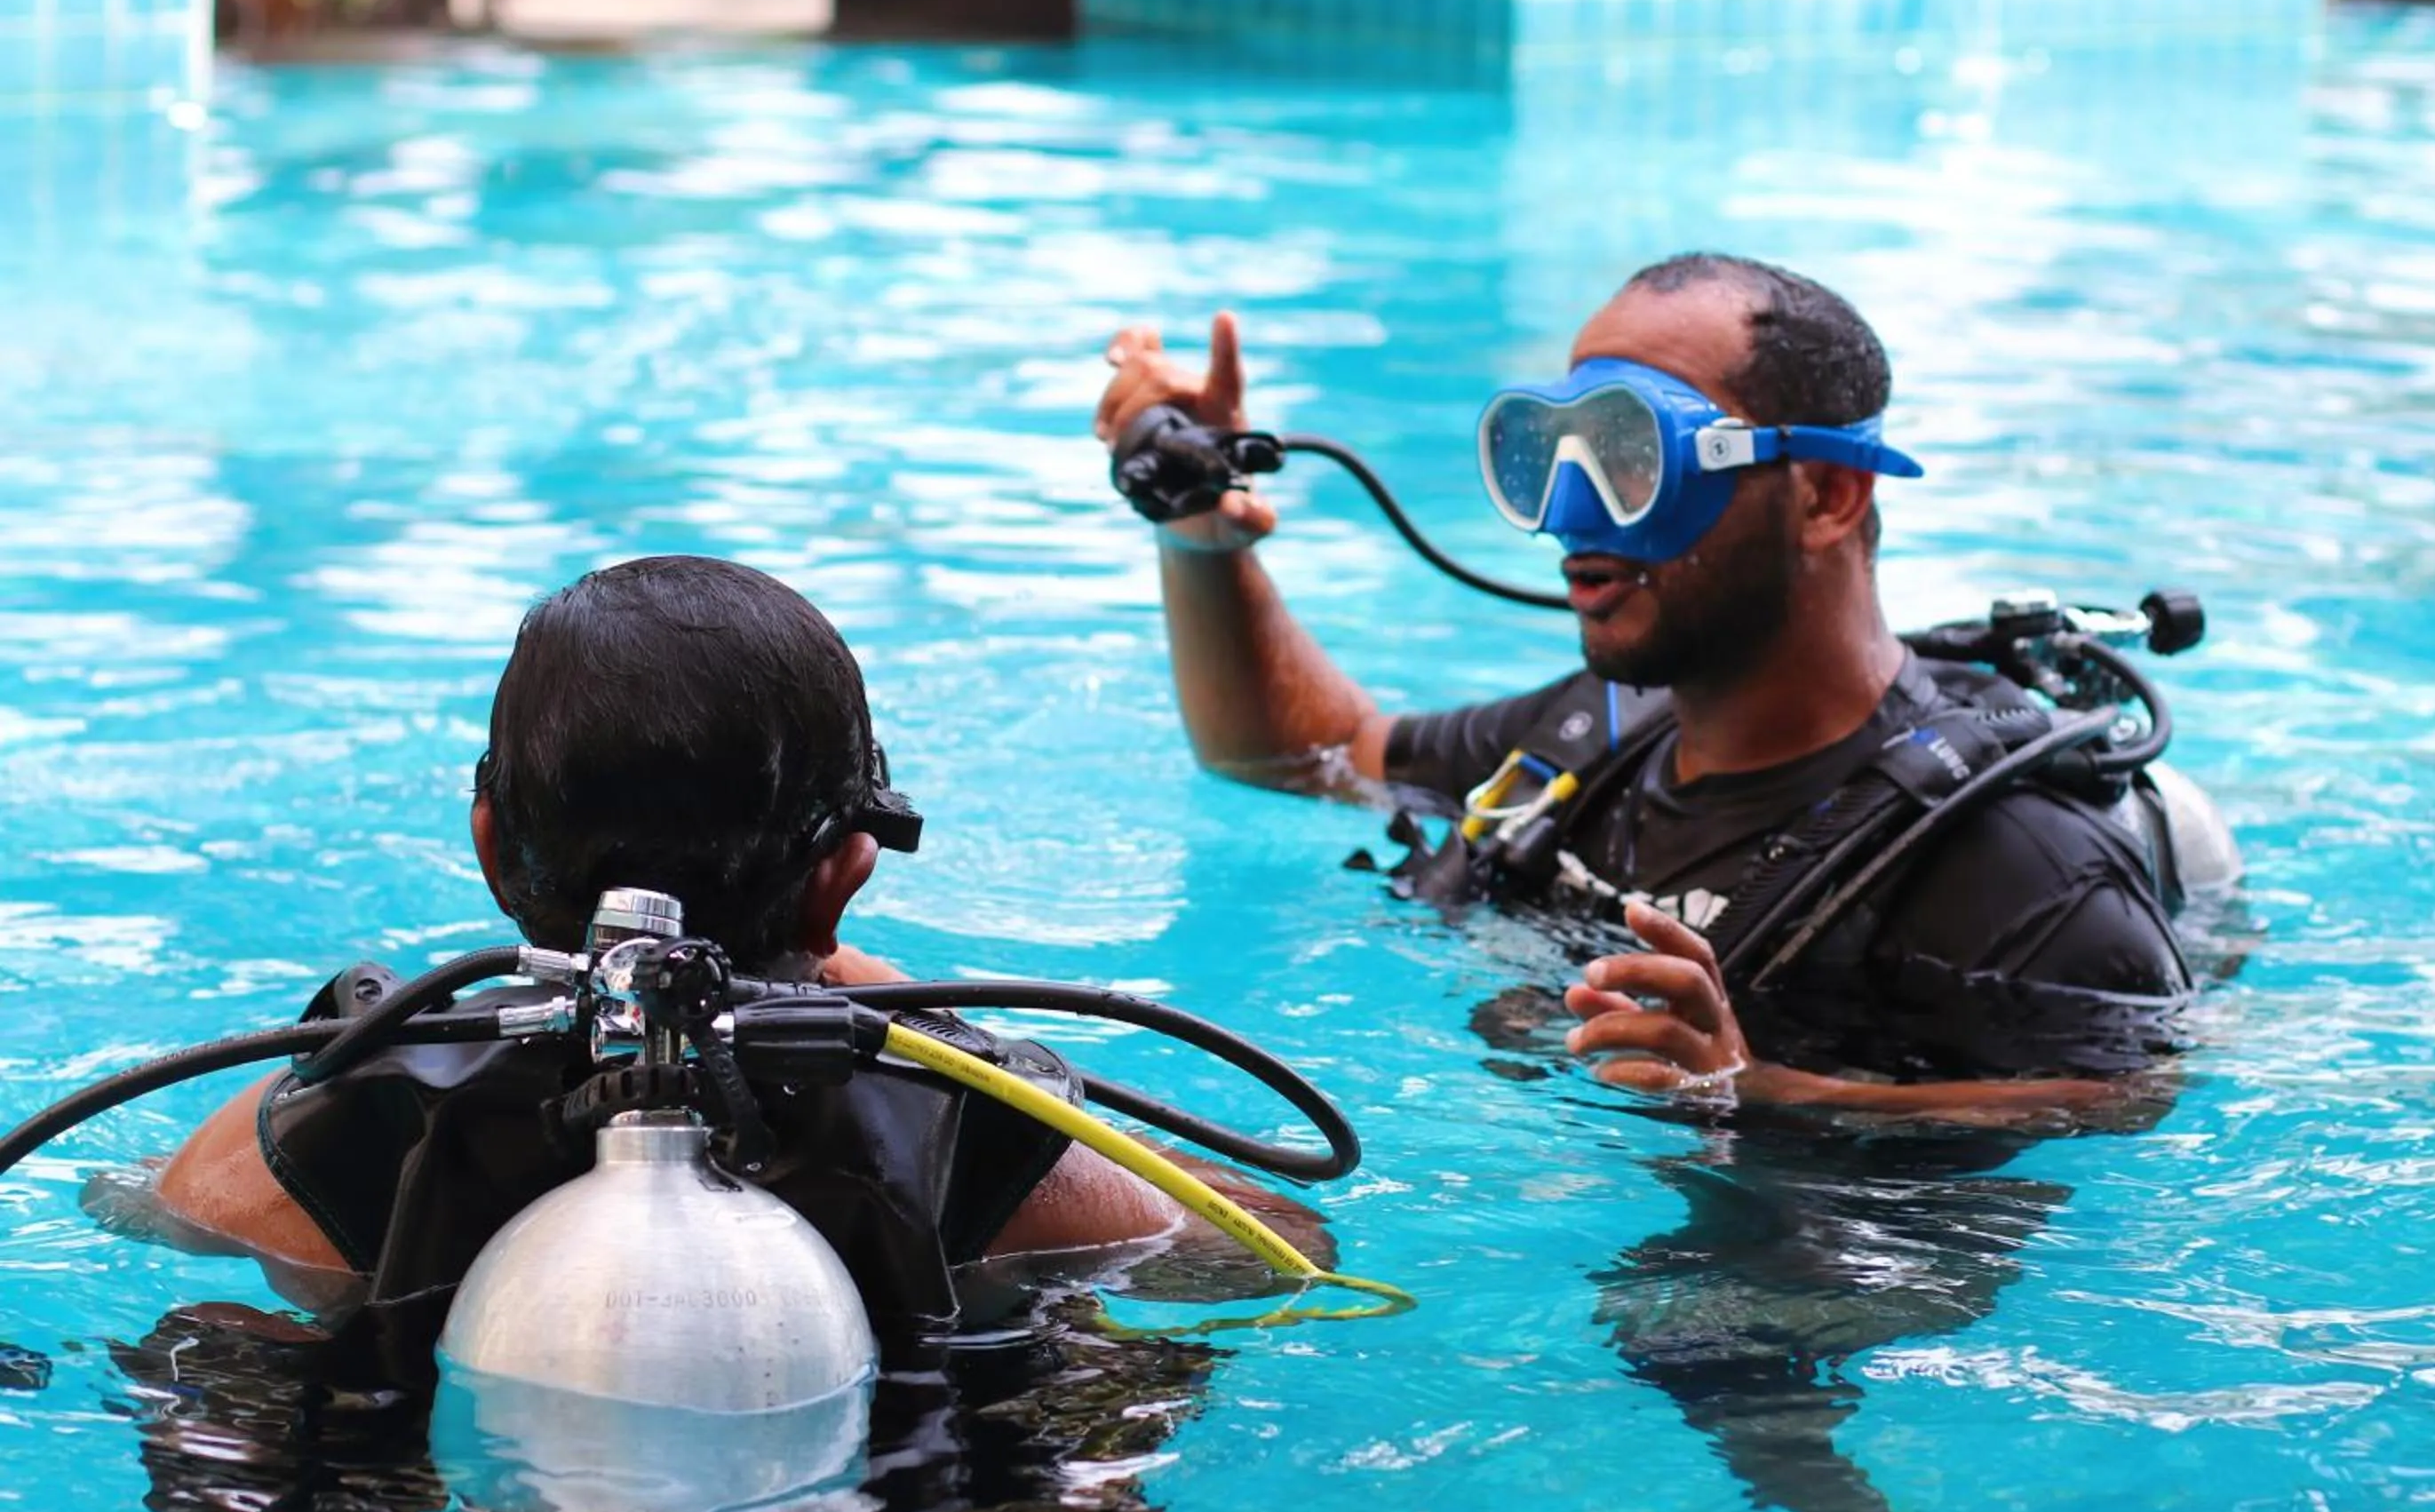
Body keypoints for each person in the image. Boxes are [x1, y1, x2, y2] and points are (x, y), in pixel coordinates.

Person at [1094, 251, 2219, 1124]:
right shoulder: (1596, 736)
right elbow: (1298, 750)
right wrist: (1202, 540)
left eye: (1633, 454)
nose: (1573, 517)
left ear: (1824, 494)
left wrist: (1764, 1090)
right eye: (1552, 452)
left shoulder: (2017, 864)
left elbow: (2130, 1095)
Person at [148, 554, 1278, 1356]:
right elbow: (1256, 1250)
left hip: (434, 1474)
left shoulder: (331, 1126)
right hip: (890, 1482)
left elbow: (143, 1208)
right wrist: (912, 1011)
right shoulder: (978, 1130)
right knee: (1093, 1366)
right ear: (846, 869)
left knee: (218, 1352)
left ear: (490, 844)